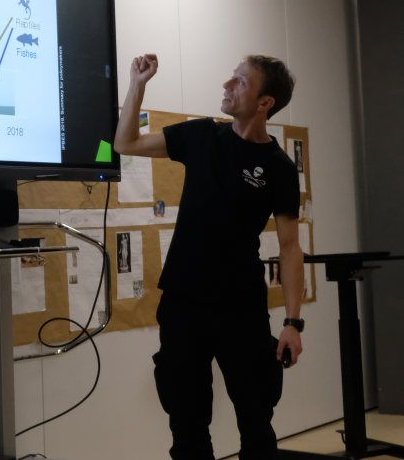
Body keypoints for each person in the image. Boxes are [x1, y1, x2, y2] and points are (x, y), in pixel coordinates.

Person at [114, 53, 304, 460]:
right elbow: (125, 143)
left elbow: (290, 248)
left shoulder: (279, 167)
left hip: (241, 306)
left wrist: (292, 322)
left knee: (256, 419)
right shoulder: (202, 136)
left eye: (240, 81)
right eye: (232, 77)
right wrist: (137, 85)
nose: (227, 85)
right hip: (183, 302)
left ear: (265, 102)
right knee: (187, 423)